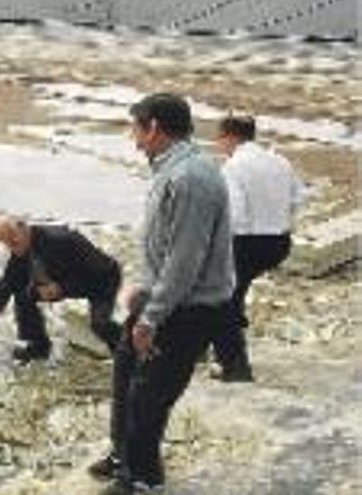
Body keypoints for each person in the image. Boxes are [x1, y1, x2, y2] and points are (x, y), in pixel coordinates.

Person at [89, 93, 234, 494]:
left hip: (185, 309)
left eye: (136, 128)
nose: (133, 138)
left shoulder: (190, 178)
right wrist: (142, 293)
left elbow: (185, 261)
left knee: (148, 399)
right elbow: (163, 246)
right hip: (159, 299)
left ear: (153, 127)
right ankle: (123, 457)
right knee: (124, 377)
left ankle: (142, 480)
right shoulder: (171, 170)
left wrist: (152, 318)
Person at [0, 216, 123, 364]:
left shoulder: (62, 239)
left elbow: (102, 271)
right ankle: (37, 346)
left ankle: (131, 350)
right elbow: (1, 292)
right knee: (23, 294)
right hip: (60, 284)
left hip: (102, 279)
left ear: (25, 228)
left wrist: (63, 288)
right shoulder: (19, 254)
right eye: (7, 244)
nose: (12, 248)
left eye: (13, 240)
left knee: (100, 324)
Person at [212, 115, 305, 382]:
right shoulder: (279, 160)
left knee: (223, 301)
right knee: (233, 295)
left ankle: (235, 367)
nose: (219, 144)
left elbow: (236, 215)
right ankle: (221, 351)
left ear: (229, 136)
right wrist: (278, 218)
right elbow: (300, 197)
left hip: (247, 243)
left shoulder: (233, 167)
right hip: (279, 242)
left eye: (219, 139)